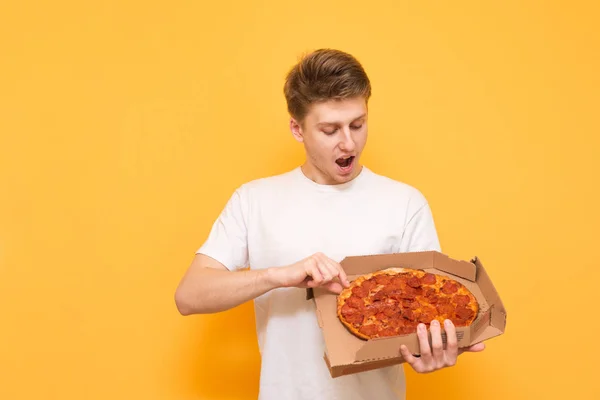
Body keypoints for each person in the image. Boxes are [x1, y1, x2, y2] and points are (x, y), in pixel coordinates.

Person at [174, 48, 485, 400]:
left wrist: (434, 350)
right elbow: (189, 295)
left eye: (358, 124)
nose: (349, 143)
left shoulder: (405, 203)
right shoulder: (254, 200)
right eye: (329, 129)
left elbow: (426, 315)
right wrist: (277, 275)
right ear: (297, 128)